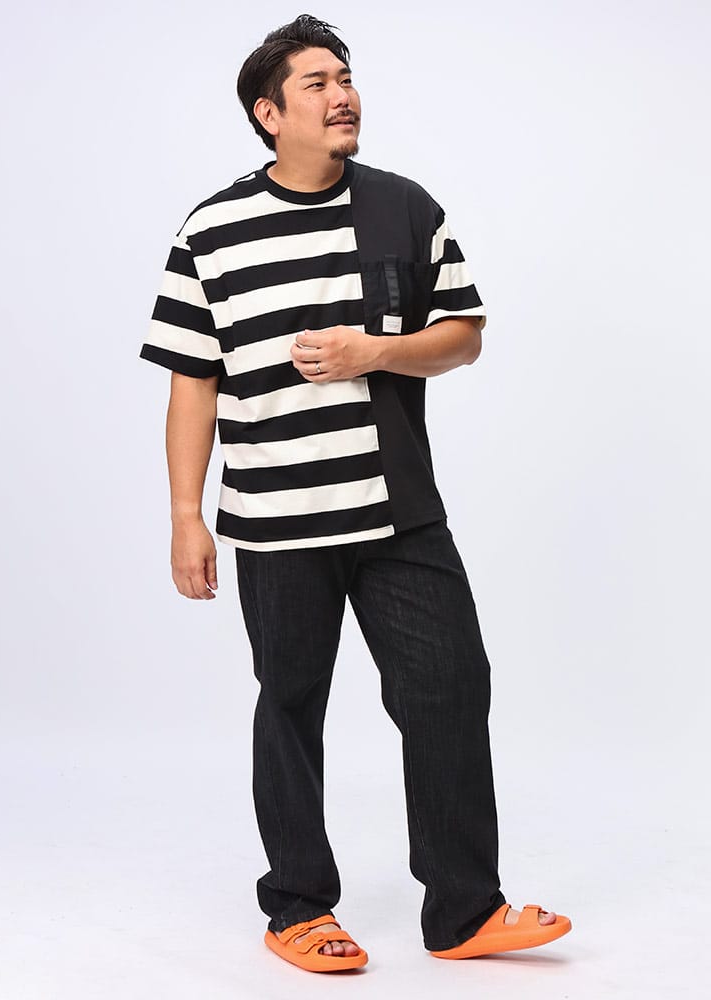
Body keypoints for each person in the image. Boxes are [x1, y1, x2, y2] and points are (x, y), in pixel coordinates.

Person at [139, 13, 572, 974]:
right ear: (268, 113)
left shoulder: (403, 208)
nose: (343, 96)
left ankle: (465, 911)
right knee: (291, 702)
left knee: (451, 686)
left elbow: (463, 335)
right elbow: (191, 381)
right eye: (318, 83)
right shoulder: (210, 231)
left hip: (398, 513)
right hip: (275, 518)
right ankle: (298, 906)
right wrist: (185, 515)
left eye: (346, 77)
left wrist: (374, 352)